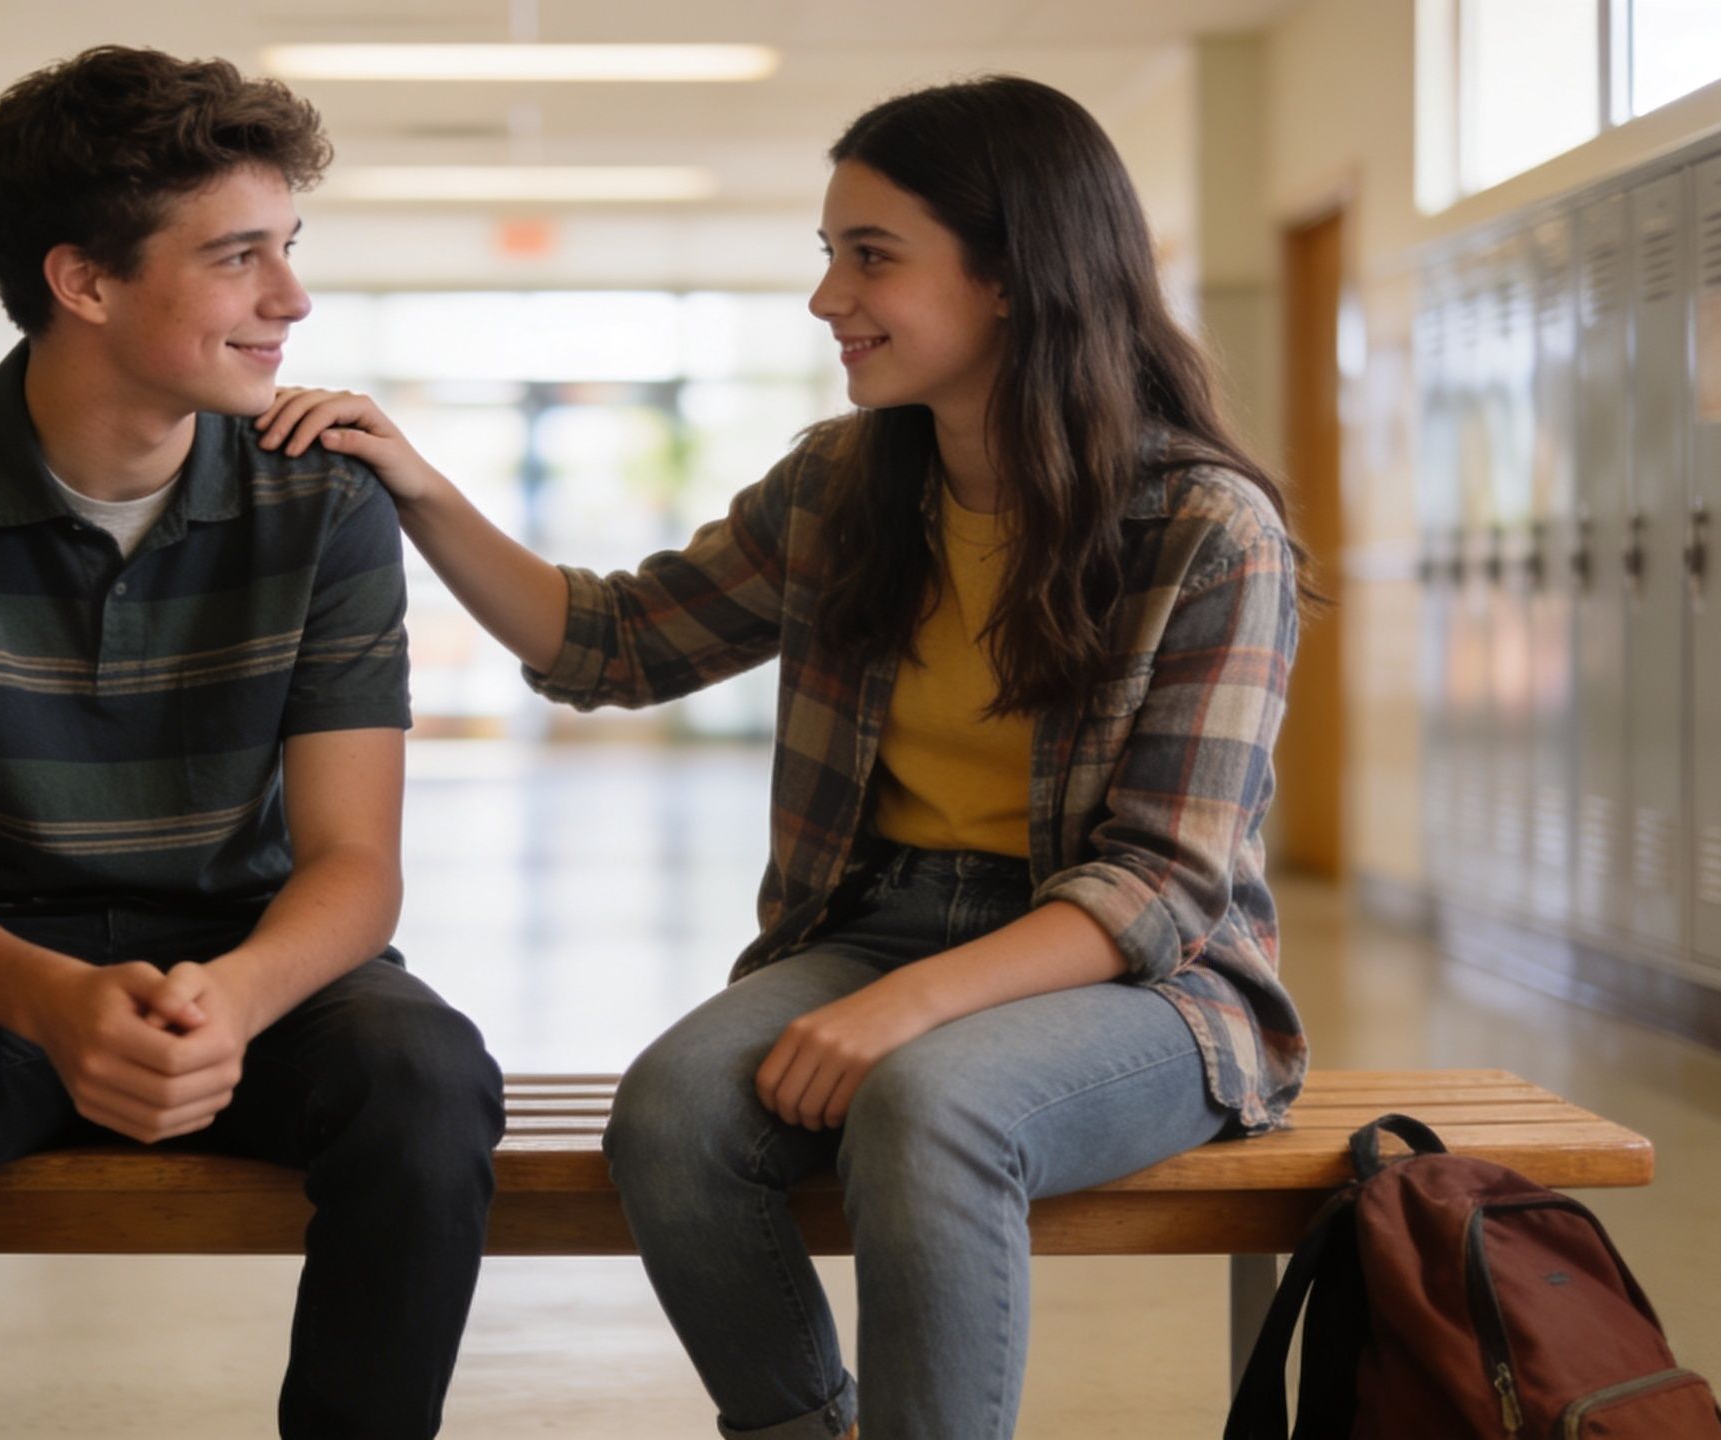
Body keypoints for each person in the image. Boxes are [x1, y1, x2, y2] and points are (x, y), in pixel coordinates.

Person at [256, 74, 1315, 1440]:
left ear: (1013, 276)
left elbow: (1162, 890)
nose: (828, 299)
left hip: (1150, 985)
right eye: (829, 255)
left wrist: (907, 1010)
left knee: (930, 1107)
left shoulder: (1207, 531)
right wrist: (418, 485)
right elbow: (616, 642)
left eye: (871, 257)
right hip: (877, 925)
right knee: (674, 1114)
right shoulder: (845, 483)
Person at [0, 46, 504, 1440]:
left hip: (243, 961)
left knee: (428, 1076)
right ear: (85, 283)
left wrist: (240, 998)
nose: (292, 298)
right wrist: (50, 1003)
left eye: (288, 248)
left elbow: (354, 862)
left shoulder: (326, 500)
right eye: (238, 259)